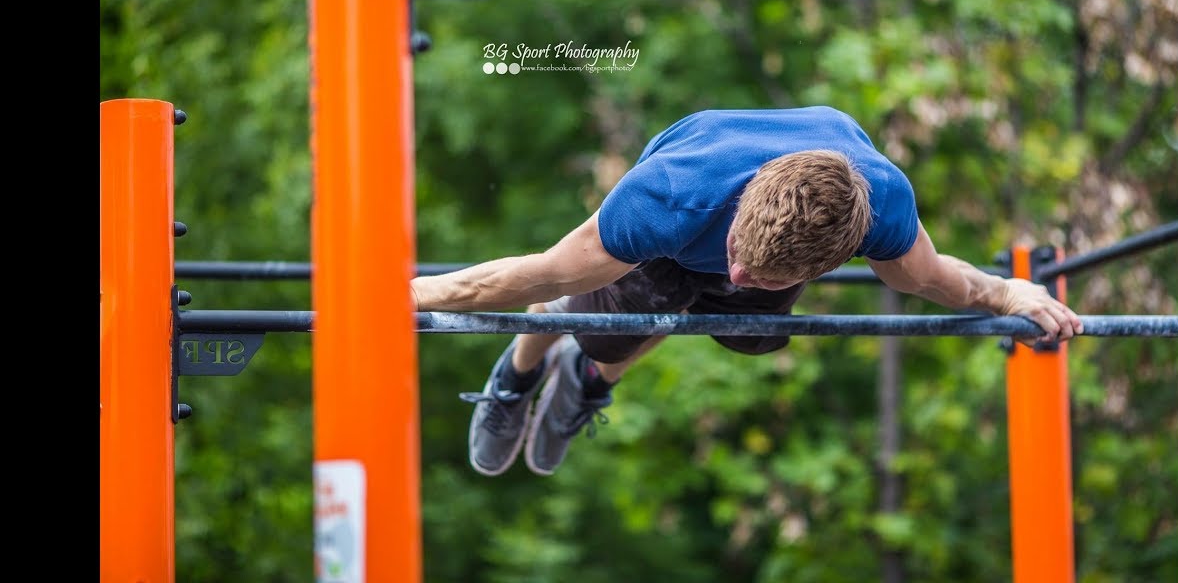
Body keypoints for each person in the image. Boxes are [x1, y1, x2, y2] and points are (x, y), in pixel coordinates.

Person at [409, 105, 1083, 477]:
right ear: (736, 219)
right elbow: (539, 269)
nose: (738, 279)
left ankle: (588, 379)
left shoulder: (884, 209)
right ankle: (519, 377)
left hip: (747, 231)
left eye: (762, 278)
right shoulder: (667, 199)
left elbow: (944, 281)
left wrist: (1009, 294)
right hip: (677, 231)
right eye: (739, 258)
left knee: (746, 331)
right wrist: (414, 295)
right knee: (589, 307)